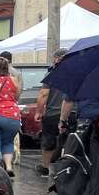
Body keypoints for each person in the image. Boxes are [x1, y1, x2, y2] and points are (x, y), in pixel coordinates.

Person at [34, 48, 69, 176]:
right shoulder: (77, 72)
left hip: (53, 112)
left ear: (56, 58)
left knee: (49, 140)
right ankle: (68, 167)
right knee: (70, 140)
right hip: (73, 112)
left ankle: (45, 168)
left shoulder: (52, 73)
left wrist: (38, 111)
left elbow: (44, 93)